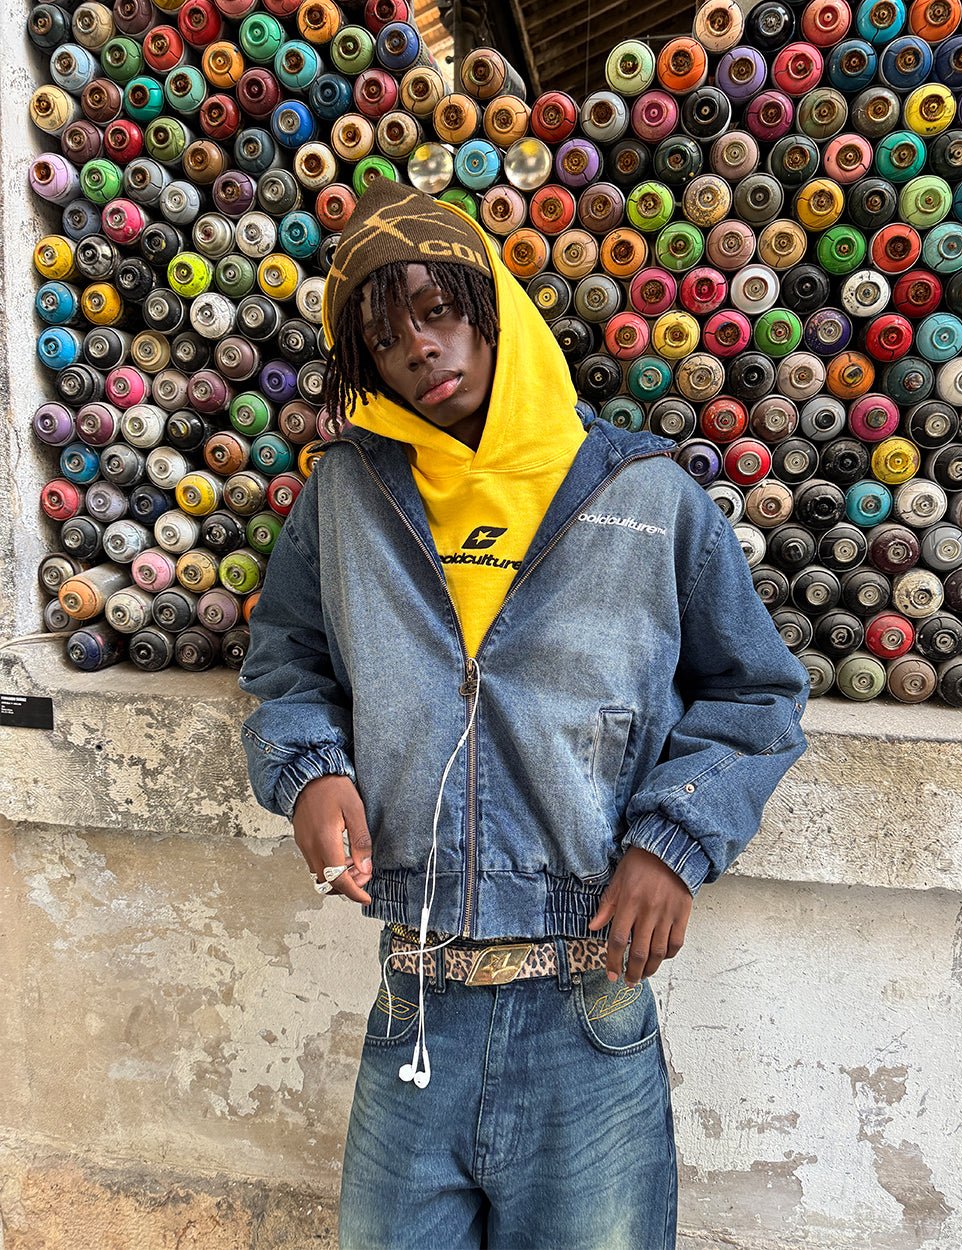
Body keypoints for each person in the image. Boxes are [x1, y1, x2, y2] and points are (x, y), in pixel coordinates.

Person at [238, 176, 810, 1250]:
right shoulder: (346, 495)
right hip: (413, 1001)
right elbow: (286, 664)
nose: (419, 347)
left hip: (587, 1002)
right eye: (383, 336)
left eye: (437, 309)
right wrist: (309, 770)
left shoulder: (646, 495)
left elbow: (757, 693)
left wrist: (676, 837)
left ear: (492, 307)